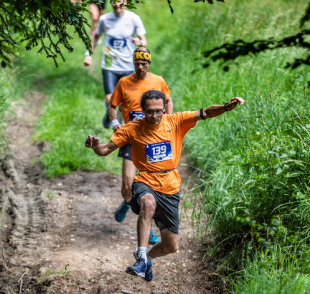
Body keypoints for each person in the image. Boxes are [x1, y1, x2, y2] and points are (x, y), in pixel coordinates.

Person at [84, 90, 245, 281]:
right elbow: (105, 150)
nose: (155, 116)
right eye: (150, 111)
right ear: (142, 110)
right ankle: (141, 257)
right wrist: (95, 146)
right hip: (145, 180)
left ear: (164, 109)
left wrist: (226, 107)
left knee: (171, 246)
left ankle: (148, 259)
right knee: (148, 203)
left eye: (159, 111)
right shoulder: (131, 129)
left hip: (170, 185)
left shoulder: (175, 121)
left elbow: (206, 112)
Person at [109, 47, 173, 244]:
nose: (140, 67)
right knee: (127, 184)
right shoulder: (124, 82)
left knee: (152, 189)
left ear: (149, 64)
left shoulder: (158, 81)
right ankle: (128, 202)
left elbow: (168, 101)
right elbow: (112, 106)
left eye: (144, 63)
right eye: (137, 63)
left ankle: (149, 229)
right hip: (131, 137)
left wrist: (167, 122)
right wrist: (115, 124)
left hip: (153, 140)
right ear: (133, 63)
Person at [83, 0, 147, 128]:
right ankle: (112, 119)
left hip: (128, 66)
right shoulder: (104, 19)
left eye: (120, 2)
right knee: (110, 100)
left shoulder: (134, 18)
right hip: (109, 65)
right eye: (113, 2)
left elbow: (143, 40)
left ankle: (118, 121)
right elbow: (96, 37)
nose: (117, 5)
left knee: (126, 101)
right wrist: (88, 54)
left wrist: (140, 43)